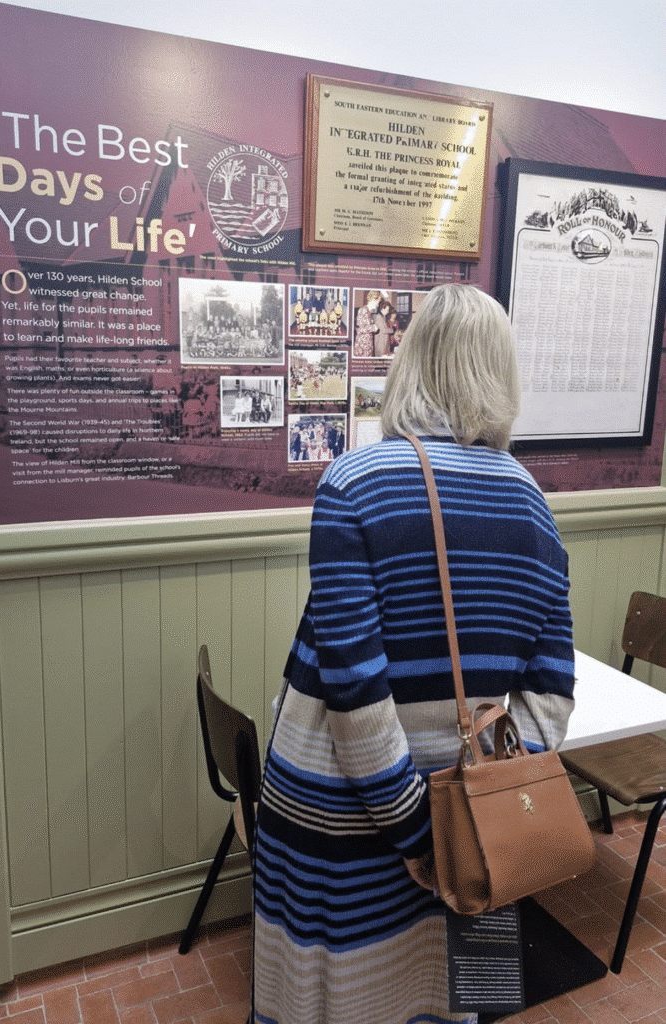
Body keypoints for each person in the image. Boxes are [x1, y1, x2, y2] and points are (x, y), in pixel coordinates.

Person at [252, 283, 575, 1024]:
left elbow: (354, 685)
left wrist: (411, 826)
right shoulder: (533, 504)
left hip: (341, 810)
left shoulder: (353, 484)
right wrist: (474, 816)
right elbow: (551, 695)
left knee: (330, 1000)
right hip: (477, 824)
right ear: (501, 375)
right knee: (452, 996)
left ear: (411, 361)